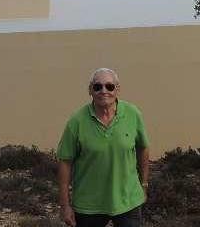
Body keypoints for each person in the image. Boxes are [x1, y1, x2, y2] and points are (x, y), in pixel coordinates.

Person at [57, 68, 150, 227]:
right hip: (89, 205)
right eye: (97, 87)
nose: (103, 91)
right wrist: (65, 206)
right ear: (90, 90)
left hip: (128, 201)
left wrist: (144, 183)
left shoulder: (133, 114)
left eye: (109, 86)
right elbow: (65, 162)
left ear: (118, 89)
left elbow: (143, 148)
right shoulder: (76, 121)